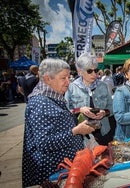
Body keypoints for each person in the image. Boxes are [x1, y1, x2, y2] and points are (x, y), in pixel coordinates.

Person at [22, 58, 96, 187]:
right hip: (51, 173)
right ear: (47, 79)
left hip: (62, 170)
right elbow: (44, 143)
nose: (68, 82)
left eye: (69, 77)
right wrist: (76, 131)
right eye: (63, 78)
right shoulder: (40, 103)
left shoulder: (52, 98)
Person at [65, 53, 115, 146]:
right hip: (82, 134)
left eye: (96, 70)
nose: (94, 74)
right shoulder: (71, 88)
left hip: (103, 131)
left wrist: (104, 112)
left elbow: (112, 108)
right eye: (89, 71)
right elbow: (66, 110)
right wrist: (80, 110)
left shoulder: (103, 86)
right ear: (80, 71)